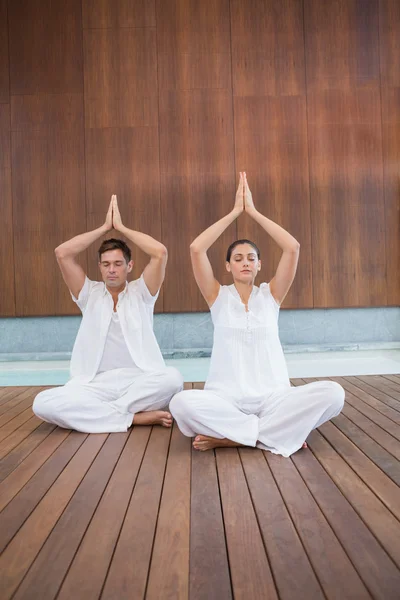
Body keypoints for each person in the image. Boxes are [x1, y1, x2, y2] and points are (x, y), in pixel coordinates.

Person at [170, 173, 344, 456]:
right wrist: (234, 213)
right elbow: (196, 248)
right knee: (181, 404)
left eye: (251, 258)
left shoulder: (271, 295)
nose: (245, 263)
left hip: (275, 398)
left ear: (260, 264)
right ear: (227, 266)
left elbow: (292, 247)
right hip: (226, 400)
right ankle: (273, 434)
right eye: (237, 259)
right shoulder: (217, 297)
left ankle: (233, 438)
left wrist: (253, 211)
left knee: (335, 394)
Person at [33, 196, 183, 433]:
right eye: (106, 264)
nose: (112, 270)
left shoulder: (141, 293)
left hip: (138, 381)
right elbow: (62, 253)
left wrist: (121, 228)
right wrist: (104, 228)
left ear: (129, 266)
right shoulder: (88, 293)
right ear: (100, 267)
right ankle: (132, 417)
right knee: (42, 403)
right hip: (94, 384)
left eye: (117, 263)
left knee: (173, 379)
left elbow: (160, 253)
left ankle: (106, 414)